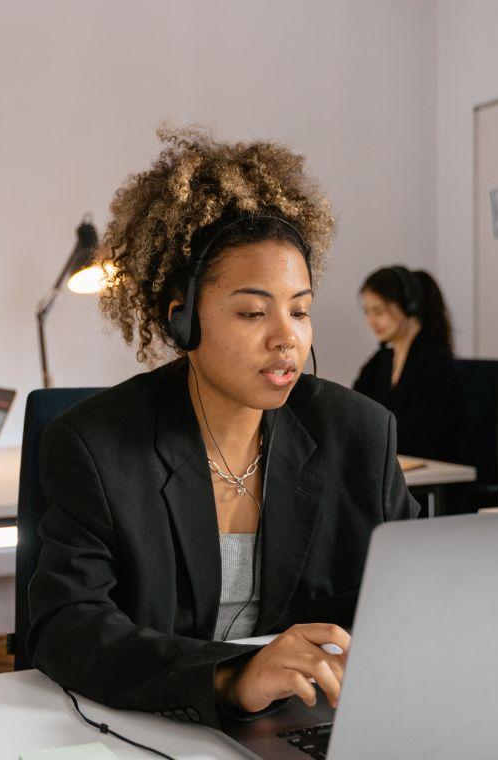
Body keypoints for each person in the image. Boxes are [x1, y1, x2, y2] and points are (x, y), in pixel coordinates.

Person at [26, 128, 419, 729]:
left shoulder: (361, 435)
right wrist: (233, 677)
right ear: (182, 320)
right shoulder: (96, 446)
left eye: (301, 309)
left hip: (318, 723)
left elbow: (419, 598)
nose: (286, 336)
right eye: (253, 312)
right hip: (150, 726)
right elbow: (67, 625)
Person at [353, 265, 472, 467]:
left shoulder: (435, 363)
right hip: (394, 471)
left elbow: (421, 437)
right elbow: (353, 411)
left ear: (409, 307)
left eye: (379, 311)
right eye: (367, 312)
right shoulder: (381, 361)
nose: (371, 321)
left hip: (435, 476)